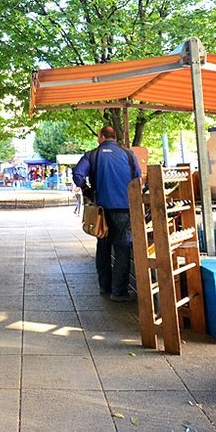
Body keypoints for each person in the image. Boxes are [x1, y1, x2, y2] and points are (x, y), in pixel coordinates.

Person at [73, 126, 141, 302]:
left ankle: (105, 286)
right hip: (125, 208)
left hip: (101, 211)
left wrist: (86, 189)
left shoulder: (92, 155)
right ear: (114, 137)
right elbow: (138, 178)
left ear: (101, 137)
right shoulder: (128, 154)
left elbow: (78, 174)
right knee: (122, 249)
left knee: (103, 247)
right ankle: (119, 292)